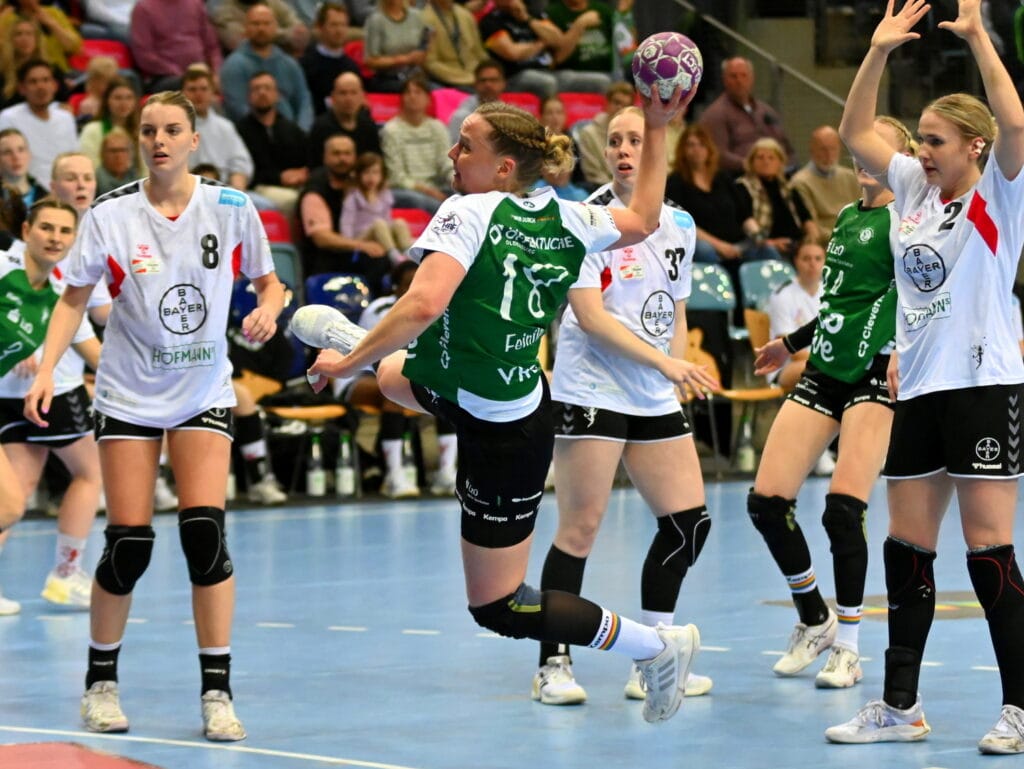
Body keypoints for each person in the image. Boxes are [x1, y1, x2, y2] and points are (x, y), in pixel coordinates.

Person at [294, 87, 705, 725]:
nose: (452, 154)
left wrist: (346, 369)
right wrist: (656, 125)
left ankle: (654, 647)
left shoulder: (469, 211)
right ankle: (361, 345)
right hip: (476, 384)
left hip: (502, 430)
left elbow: (423, 304)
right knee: (401, 377)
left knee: (500, 606)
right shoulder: (572, 217)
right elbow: (647, 217)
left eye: (466, 146)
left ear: (504, 167)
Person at [23, 90, 285, 741]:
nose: (158, 140)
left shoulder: (231, 207)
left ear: (194, 139)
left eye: (171, 130)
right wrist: (48, 367)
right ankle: (100, 684)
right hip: (129, 392)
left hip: (202, 391)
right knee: (130, 543)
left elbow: (268, 281)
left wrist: (268, 308)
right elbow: (72, 300)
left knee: (205, 538)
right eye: (148, 130)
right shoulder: (110, 214)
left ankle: (217, 693)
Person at [824, 0, 1024, 752]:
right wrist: (876, 51)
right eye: (922, 141)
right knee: (905, 552)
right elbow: (854, 130)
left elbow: (1016, 121)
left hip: (983, 388)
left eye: (937, 141)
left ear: (975, 146)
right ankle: (900, 706)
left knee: (989, 554)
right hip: (919, 390)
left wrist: (977, 38)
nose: (924, 151)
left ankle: (1020, 707)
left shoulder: (1000, 190)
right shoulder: (912, 189)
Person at [530, 105, 718, 708]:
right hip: (593, 388)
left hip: (654, 390)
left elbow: (676, 307)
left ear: (660, 147)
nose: (624, 150)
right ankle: (553, 664)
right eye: (614, 141)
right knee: (580, 529)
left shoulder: (681, 224)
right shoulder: (586, 219)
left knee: (688, 525)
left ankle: (654, 656)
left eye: (636, 139)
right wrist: (666, 364)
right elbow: (589, 317)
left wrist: (677, 365)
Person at [750, 114, 912, 692]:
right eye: (858, 147)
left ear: (901, 161)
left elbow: (922, 294)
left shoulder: (907, 221)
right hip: (824, 366)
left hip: (875, 372)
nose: (862, 155)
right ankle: (814, 618)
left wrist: (906, 349)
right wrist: (789, 342)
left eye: (878, 147)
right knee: (767, 504)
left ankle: (849, 646)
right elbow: (840, 303)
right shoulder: (845, 217)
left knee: (842, 511)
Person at [0, 196, 103, 613]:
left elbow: (93, 350)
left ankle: (65, 576)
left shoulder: (62, 291)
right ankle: (65, 574)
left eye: (64, 231)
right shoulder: (4, 270)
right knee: (89, 474)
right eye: (46, 228)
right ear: (26, 231)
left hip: (33, 399)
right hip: (47, 397)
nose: (55, 238)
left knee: (15, 497)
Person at [219, 3, 315, 131]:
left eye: (266, 23)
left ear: (275, 27)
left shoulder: (289, 63)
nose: (261, 28)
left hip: (291, 134)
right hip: (252, 135)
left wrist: (300, 132)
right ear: (246, 28)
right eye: (256, 24)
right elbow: (237, 107)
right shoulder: (233, 66)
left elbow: (304, 101)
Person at [698, 57, 796, 176]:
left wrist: (785, 165)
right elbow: (719, 154)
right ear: (724, 80)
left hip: (778, 174)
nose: (739, 81)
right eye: (733, 76)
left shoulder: (766, 111)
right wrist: (753, 165)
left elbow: (786, 146)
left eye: (744, 75)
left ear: (752, 79)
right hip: (739, 177)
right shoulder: (715, 114)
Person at [234, 71, 309, 215]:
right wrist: (280, 177)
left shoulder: (291, 128)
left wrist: (303, 173)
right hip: (259, 187)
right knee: (292, 200)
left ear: (277, 95)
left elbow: (307, 157)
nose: (262, 93)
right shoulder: (239, 131)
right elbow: (244, 171)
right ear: (249, 96)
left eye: (267, 88)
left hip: (295, 184)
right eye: (256, 89)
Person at [735, 137, 820, 260]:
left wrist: (812, 237)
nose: (766, 162)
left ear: (780, 162)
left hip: (796, 244)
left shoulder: (787, 187)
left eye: (771, 158)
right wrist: (771, 243)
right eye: (760, 157)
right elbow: (746, 220)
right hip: (762, 245)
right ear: (751, 162)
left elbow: (805, 217)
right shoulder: (743, 186)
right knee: (769, 251)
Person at [379, 75, 452, 215]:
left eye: (418, 92)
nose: (412, 96)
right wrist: (426, 190)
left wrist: (456, 181)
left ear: (428, 99)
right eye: (408, 92)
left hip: (437, 186)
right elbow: (396, 177)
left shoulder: (438, 127)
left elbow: (446, 163)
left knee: (464, 195)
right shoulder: (391, 130)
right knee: (421, 200)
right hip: (405, 189)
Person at [0, 59, 77, 184]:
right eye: (33, 81)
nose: (40, 86)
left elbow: (74, 158)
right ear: (22, 88)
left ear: (55, 86)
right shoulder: (8, 118)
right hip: (27, 189)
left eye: (46, 80)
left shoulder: (66, 118)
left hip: (65, 188)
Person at [765, 239, 825, 392]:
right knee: (827, 371)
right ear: (796, 261)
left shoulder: (831, 292)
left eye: (818, 258)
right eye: (806, 258)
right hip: (786, 366)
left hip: (825, 360)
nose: (812, 264)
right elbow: (789, 349)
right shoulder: (782, 295)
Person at [181, 66, 254, 192]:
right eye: (192, 89)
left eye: (204, 89)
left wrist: (236, 191)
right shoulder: (173, 129)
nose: (198, 94)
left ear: (213, 93)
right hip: (188, 191)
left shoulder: (226, 127)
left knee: (264, 203)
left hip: (225, 189)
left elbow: (240, 163)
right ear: (182, 94)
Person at [128, 0, 223, 94]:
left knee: (225, 78)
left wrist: (216, 71)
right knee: (195, 86)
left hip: (201, 71)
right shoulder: (143, 9)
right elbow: (144, 55)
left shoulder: (195, 3)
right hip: (164, 77)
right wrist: (178, 73)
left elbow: (212, 46)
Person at [789, 126, 861, 246]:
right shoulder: (800, 182)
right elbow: (812, 226)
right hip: (826, 244)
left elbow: (864, 212)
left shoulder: (851, 176)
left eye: (833, 149)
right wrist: (845, 237)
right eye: (823, 149)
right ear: (812, 150)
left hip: (856, 237)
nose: (829, 155)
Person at [340, 151, 412, 265]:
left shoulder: (384, 195)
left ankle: (408, 253)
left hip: (382, 234)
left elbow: (387, 219)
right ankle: (393, 255)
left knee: (399, 222)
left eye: (375, 172)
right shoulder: (354, 198)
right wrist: (351, 244)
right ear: (358, 175)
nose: (371, 177)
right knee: (379, 223)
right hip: (361, 238)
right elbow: (346, 225)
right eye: (366, 172)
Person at [307, 71, 381, 170]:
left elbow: (375, 163)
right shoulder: (321, 128)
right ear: (333, 97)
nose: (348, 99)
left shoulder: (369, 126)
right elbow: (315, 167)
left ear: (362, 97)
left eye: (353, 93)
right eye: (343, 93)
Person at [299, 1, 362, 117]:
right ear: (320, 27)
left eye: (343, 25)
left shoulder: (352, 67)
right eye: (334, 25)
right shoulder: (306, 65)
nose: (339, 30)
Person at [77, 76, 144, 178]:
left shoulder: (142, 131)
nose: (124, 103)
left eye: (129, 97)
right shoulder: (93, 130)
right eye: (118, 98)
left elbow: (145, 169)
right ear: (107, 101)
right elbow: (89, 166)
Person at [362, 0, 430, 93]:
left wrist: (423, 52)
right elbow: (370, 60)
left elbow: (423, 48)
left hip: (415, 76)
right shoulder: (375, 20)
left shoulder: (416, 16)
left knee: (436, 92)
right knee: (413, 92)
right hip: (388, 79)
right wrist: (403, 59)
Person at [421, 0, 488, 91]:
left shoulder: (465, 14)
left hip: (476, 75)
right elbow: (430, 63)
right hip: (450, 79)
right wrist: (466, 78)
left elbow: (480, 52)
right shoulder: (425, 19)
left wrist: (488, 73)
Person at [0, 127, 48, 210]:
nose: (16, 157)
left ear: (29, 155)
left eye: (21, 150)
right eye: (7, 152)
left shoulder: (47, 198)